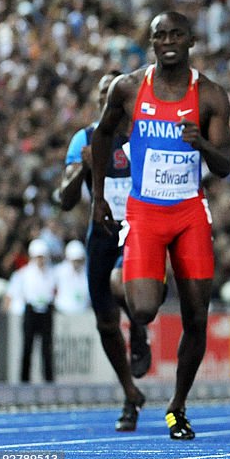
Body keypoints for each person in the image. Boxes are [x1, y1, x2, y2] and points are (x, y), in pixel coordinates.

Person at [90, 11, 230, 440]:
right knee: (145, 308)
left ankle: (177, 406)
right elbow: (100, 136)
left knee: (197, 316)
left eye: (176, 34)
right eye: (159, 35)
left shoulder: (209, 96)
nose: (168, 41)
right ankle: (152, 288)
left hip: (189, 212)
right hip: (145, 212)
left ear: (190, 40)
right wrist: (98, 196)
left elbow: (225, 166)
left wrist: (201, 143)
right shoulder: (129, 87)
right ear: (151, 42)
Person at [58, 71, 152, 432]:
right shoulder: (84, 138)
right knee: (106, 324)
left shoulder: (142, 135)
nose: (107, 96)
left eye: (113, 89)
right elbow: (65, 201)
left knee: (120, 282)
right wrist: (80, 166)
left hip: (138, 230)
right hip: (101, 234)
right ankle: (130, 395)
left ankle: (140, 330)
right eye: (102, 91)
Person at [3, 239, 56, 383]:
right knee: (27, 347)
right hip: (31, 311)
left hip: (46, 311)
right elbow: (11, 294)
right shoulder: (23, 274)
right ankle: (24, 380)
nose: (41, 260)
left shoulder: (51, 273)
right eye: (38, 257)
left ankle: (49, 380)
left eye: (42, 256)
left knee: (47, 348)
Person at [53, 239, 90, 314]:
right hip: (63, 310)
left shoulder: (87, 272)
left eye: (79, 260)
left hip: (83, 310)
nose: (76, 263)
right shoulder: (58, 271)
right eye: (74, 260)